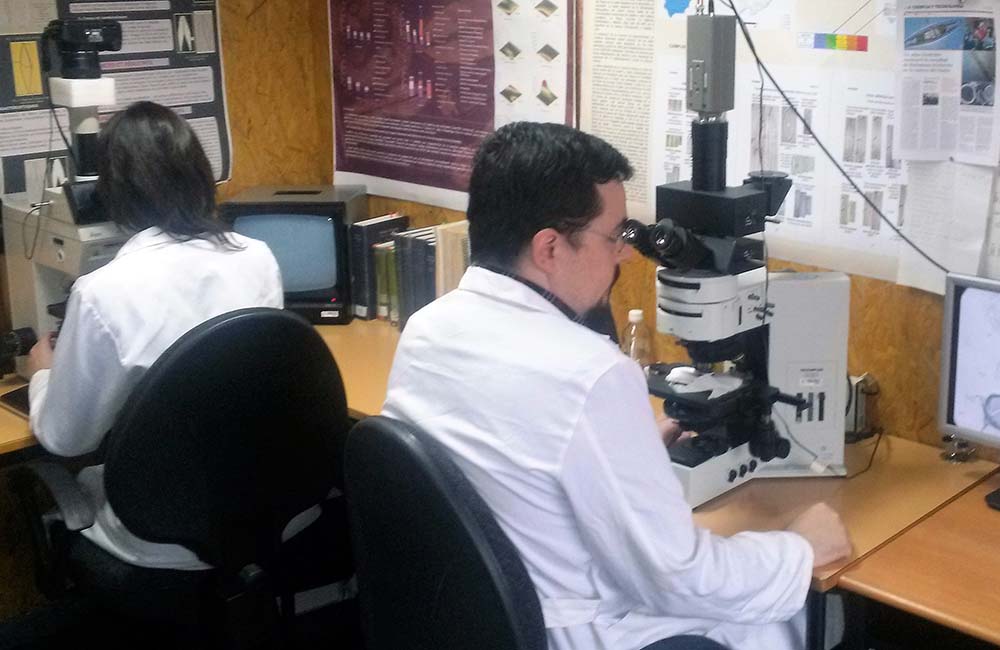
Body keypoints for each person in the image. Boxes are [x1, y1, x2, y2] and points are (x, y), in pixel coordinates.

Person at [381, 122, 852, 650]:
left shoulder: (427, 329)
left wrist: (628, 450)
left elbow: (516, 465)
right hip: (575, 633)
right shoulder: (590, 374)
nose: (625, 254)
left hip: (467, 622)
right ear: (549, 248)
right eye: (614, 237)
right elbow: (679, 577)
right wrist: (797, 550)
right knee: (791, 621)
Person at [26, 101, 283, 570]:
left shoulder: (103, 292)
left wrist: (43, 374)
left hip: (159, 535)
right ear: (200, 175)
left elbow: (67, 440)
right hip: (267, 513)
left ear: (112, 193)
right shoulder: (258, 257)